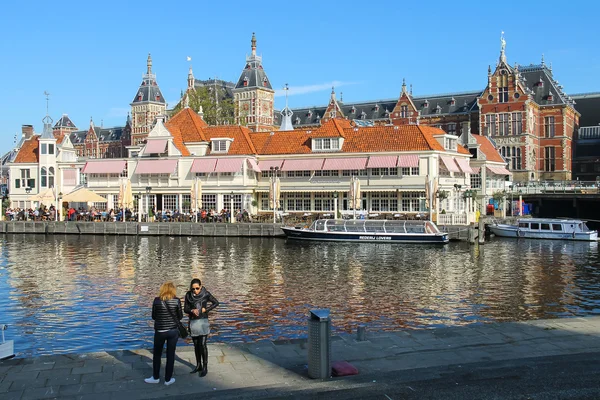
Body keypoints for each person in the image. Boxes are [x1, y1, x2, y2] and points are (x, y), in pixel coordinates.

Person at [145, 281, 183, 386]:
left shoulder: (157, 301)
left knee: (157, 354)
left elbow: (153, 316)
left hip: (160, 331)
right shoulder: (176, 301)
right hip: (172, 331)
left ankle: (155, 377)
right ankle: (168, 379)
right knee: (170, 355)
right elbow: (180, 316)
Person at [184, 278, 219, 377]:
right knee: (196, 344)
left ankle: (205, 366)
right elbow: (185, 309)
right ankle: (198, 365)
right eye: (193, 289)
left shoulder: (206, 294)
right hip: (193, 321)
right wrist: (191, 310)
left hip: (203, 321)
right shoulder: (188, 295)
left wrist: (206, 310)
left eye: (197, 288)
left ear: (201, 286)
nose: (195, 290)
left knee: (202, 344)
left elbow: (216, 303)